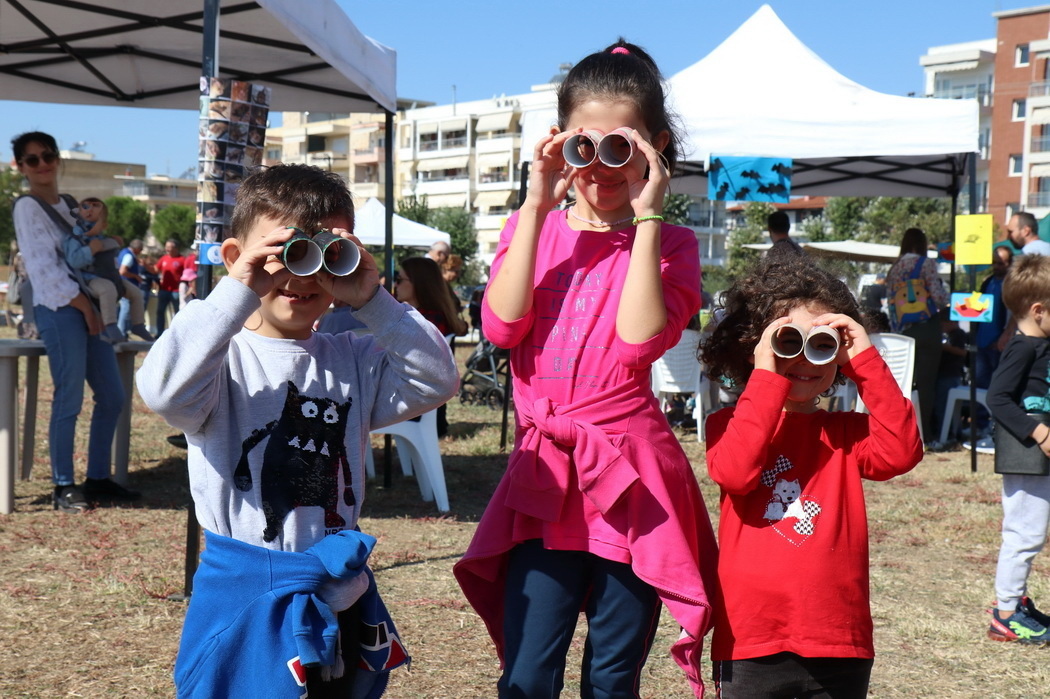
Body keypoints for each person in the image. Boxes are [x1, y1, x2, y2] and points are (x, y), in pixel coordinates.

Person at [453, 40, 718, 697]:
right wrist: (538, 207)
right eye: (584, 145)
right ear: (559, 142)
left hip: (631, 483)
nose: (600, 167)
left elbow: (635, 343)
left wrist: (649, 213)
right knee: (528, 669)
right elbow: (500, 327)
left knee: (611, 674)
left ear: (654, 146)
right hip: (546, 477)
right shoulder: (530, 225)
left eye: (620, 146)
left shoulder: (674, 243)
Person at [136, 164, 458, 696]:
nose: (300, 274)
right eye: (284, 253)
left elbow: (438, 377)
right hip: (244, 591)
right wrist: (236, 291)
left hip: (334, 588)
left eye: (325, 255)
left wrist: (372, 298)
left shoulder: (352, 359)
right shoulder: (221, 360)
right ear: (239, 257)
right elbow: (164, 390)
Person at [700, 256, 923, 697]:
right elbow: (736, 472)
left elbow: (901, 452)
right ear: (754, 346)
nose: (803, 358)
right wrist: (767, 373)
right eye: (788, 341)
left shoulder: (845, 434)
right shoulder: (727, 425)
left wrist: (864, 359)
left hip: (838, 638)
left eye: (821, 344)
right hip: (752, 638)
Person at [10, 131, 139, 512]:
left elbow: (82, 253)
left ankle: (97, 477)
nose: (42, 163)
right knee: (69, 399)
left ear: (57, 158)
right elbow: (42, 268)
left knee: (112, 396)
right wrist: (84, 306)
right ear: (22, 167)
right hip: (60, 308)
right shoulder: (27, 207)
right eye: (32, 159)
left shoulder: (69, 204)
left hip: (89, 304)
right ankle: (63, 484)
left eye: (47, 155)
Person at [986, 254, 1050, 645]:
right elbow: (998, 398)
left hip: (1036, 454)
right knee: (1024, 533)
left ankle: (1016, 602)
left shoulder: (1040, 344)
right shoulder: (1023, 348)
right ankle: (1006, 613)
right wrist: (1039, 432)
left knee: (1032, 532)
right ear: (1038, 310)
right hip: (1026, 453)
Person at [886, 227, 949, 441]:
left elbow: (892, 305)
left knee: (903, 384)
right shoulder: (926, 264)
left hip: (903, 332)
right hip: (927, 328)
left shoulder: (894, 268)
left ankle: (900, 433)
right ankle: (925, 434)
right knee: (926, 384)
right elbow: (939, 298)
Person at [394, 256, 467, 438]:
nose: (396, 285)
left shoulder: (424, 321)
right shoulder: (432, 316)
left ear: (418, 283)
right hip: (427, 404)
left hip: (414, 404)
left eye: (400, 279)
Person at [66, 198, 153, 343]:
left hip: (111, 276)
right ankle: (111, 325)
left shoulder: (102, 237)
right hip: (90, 278)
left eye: (95, 206)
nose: (90, 210)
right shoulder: (76, 238)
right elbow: (74, 261)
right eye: (86, 207)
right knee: (108, 290)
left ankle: (138, 325)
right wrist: (90, 250)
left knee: (136, 293)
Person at [931, 308, 968, 446]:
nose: (941, 327)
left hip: (950, 376)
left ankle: (948, 434)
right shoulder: (950, 335)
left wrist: (944, 347)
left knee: (945, 407)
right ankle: (953, 432)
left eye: (943, 323)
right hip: (945, 375)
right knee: (946, 407)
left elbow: (962, 352)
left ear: (951, 322)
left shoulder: (958, 334)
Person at [118, 238, 150, 336]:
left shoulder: (124, 252)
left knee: (124, 310)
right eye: (140, 249)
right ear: (137, 248)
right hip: (128, 287)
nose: (140, 252)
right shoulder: (129, 256)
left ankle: (122, 333)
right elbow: (123, 271)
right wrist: (136, 276)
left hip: (123, 285)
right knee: (126, 310)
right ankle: (122, 333)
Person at [154, 239, 185, 335]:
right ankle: (159, 333)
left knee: (177, 313)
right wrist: (145, 265)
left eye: (169, 247)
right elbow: (155, 269)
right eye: (166, 247)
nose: (166, 249)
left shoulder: (182, 260)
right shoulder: (164, 258)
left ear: (176, 248)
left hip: (176, 291)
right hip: (164, 290)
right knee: (160, 312)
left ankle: (176, 333)